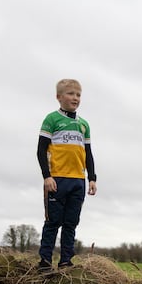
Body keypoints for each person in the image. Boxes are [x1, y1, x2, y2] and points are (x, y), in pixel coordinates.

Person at [36, 78, 97, 272]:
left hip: (78, 181)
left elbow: (88, 153)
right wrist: (47, 176)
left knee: (71, 223)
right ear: (59, 97)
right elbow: (40, 150)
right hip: (56, 179)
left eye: (78, 95)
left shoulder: (84, 125)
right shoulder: (51, 119)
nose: (75, 98)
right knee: (53, 222)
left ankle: (65, 261)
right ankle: (45, 261)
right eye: (70, 94)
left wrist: (92, 178)